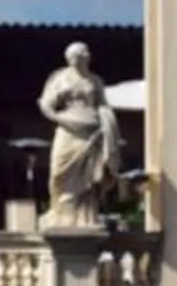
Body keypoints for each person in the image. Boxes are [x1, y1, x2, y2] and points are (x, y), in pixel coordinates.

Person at [38, 44, 124, 228]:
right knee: (58, 171)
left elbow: (103, 105)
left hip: (92, 132)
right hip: (68, 130)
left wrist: (108, 124)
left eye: (79, 56)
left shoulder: (95, 81)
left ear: (87, 58)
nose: (75, 61)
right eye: (71, 57)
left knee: (89, 176)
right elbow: (46, 105)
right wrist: (59, 118)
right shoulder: (60, 79)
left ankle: (85, 217)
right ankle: (59, 212)